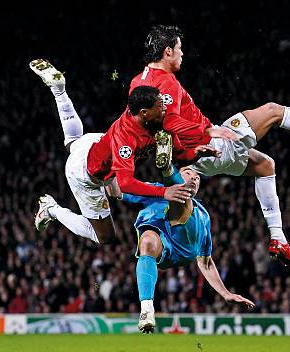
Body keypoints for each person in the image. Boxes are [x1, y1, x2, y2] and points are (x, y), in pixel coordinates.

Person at [129, 25, 290, 267]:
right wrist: (208, 131)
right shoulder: (166, 82)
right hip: (210, 145)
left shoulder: (138, 82)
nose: (183, 54)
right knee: (273, 111)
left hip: (190, 159)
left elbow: (141, 125)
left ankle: (279, 239)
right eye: (180, 49)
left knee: (265, 166)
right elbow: (170, 122)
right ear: (167, 51)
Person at [30, 59, 219, 244]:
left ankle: (59, 91)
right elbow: (126, 182)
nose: (165, 109)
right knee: (104, 236)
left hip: (97, 145)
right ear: (144, 112)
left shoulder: (151, 118)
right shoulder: (127, 139)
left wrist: (196, 152)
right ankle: (51, 209)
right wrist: (164, 192)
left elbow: (179, 154)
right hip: (85, 173)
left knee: (74, 143)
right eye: (160, 106)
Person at [107, 165, 255, 333]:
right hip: (162, 247)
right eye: (188, 173)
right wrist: (109, 169)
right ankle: (147, 309)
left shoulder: (203, 216)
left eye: (197, 178)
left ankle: (167, 167)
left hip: (184, 250)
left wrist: (226, 293)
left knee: (180, 197)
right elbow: (115, 191)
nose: (194, 178)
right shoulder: (155, 190)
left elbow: (205, 262)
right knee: (147, 241)